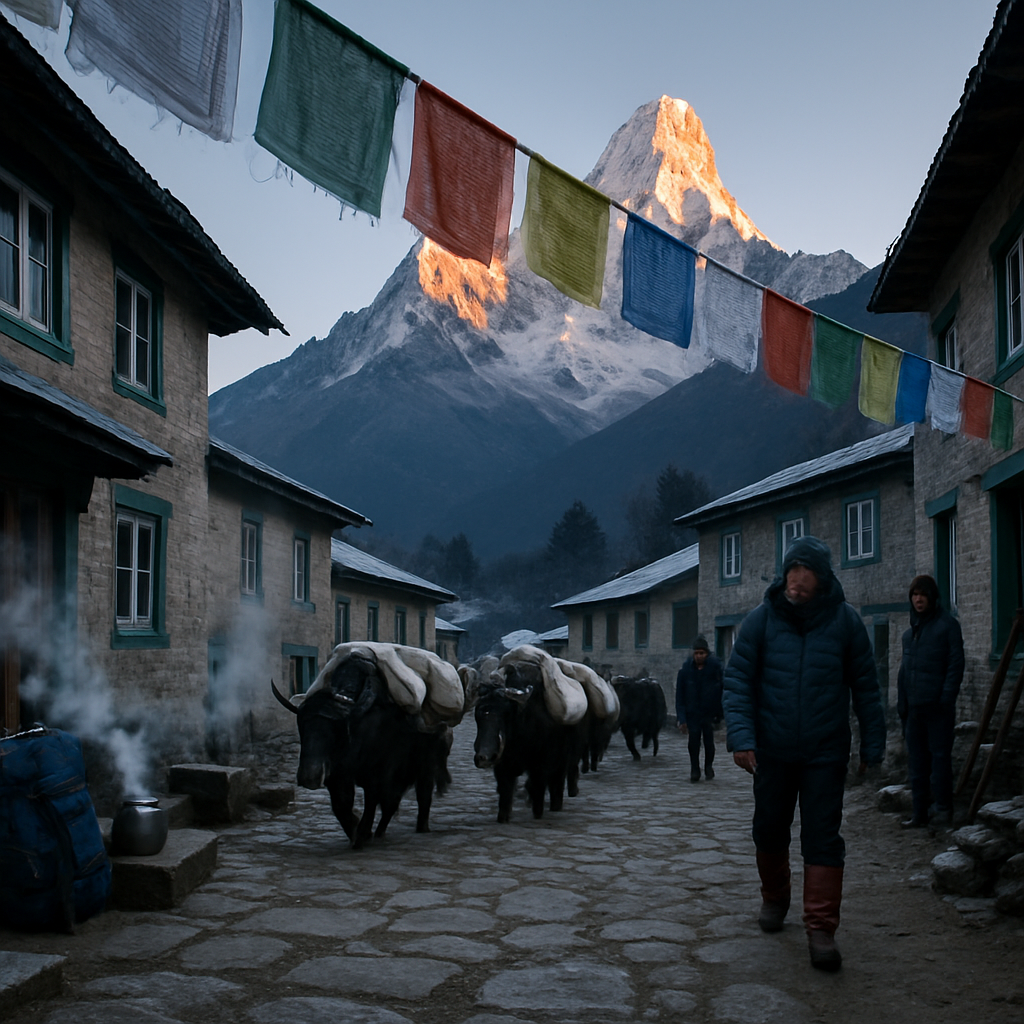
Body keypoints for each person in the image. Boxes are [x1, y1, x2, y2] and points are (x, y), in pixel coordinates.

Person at [723, 536, 885, 972]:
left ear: (822, 578)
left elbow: (867, 688)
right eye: (791, 573)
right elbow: (737, 681)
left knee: (823, 837)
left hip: (825, 751)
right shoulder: (760, 621)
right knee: (769, 829)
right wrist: (742, 738)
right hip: (772, 751)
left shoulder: (846, 623)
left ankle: (820, 929)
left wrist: (873, 743)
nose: (796, 583)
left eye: (805, 575)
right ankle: (775, 899)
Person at [897, 574, 964, 829]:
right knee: (916, 763)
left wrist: (946, 700)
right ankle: (919, 813)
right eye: (914, 595)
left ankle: (943, 812)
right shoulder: (909, 634)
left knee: (940, 762)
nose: (918, 599)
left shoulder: (947, 626)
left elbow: (955, 665)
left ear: (932, 597)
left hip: (938, 709)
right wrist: (902, 705)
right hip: (914, 709)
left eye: (922, 595)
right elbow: (905, 671)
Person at [675, 635, 724, 782]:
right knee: (693, 742)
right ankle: (694, 769)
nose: (699, 656)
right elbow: (680, 696)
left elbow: (722, 691)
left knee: (709, 743)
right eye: (696, 653)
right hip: (692, 713)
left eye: (702, 653)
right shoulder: (685, 671)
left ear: (707, 654)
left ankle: (708, 766)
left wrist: (720, 714)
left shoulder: (715, 670)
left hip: (709, 713)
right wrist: (681, 718)